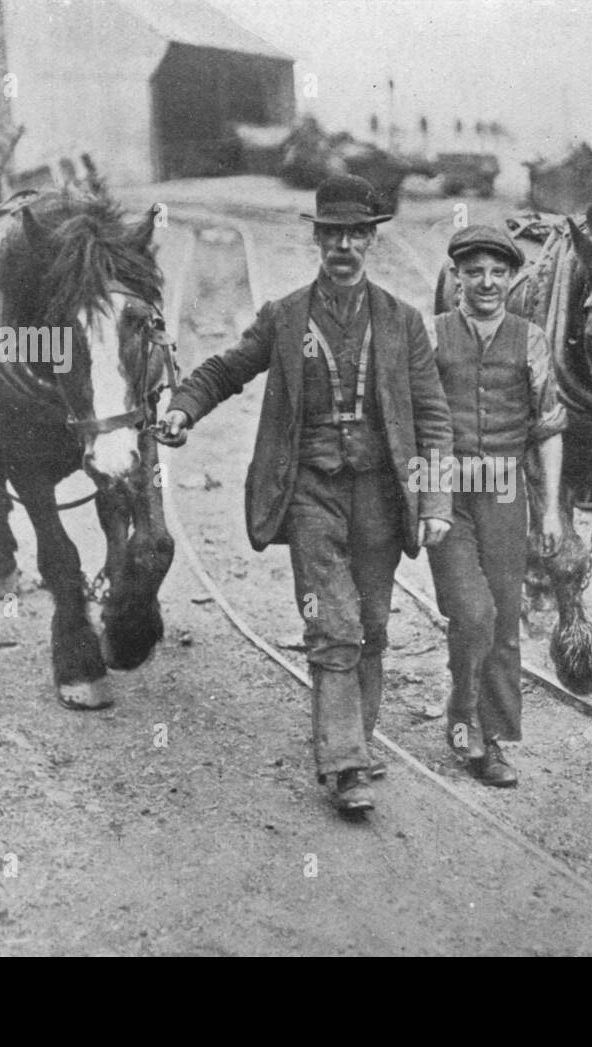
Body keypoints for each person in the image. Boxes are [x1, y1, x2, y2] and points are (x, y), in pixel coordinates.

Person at [160, 175, 453, 813]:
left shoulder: (402, 323)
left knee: (372, 626)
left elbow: (433, 420)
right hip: (311, 492)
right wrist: (184, 408)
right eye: (333, 234)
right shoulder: (285, 316)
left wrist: (434, 502)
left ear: (370, 242)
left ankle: (355, 742)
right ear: (317, 239)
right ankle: (345, 765)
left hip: (380, 494)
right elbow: (227, 368)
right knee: (334, 622)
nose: (343, 246)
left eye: (356, 234)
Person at [429, 224, 566, 786]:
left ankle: (493, 737)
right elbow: (412, 414)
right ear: (457, 278)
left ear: (512, 279)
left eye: (497, 273)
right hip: (447, 489)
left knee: (504, 620)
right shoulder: (430, 334)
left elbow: (549, 426)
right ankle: (463, 717)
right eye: (474, 272)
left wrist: (551, 509)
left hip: (508, 493)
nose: (486, 283)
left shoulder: (530, 338)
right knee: (472, 613)